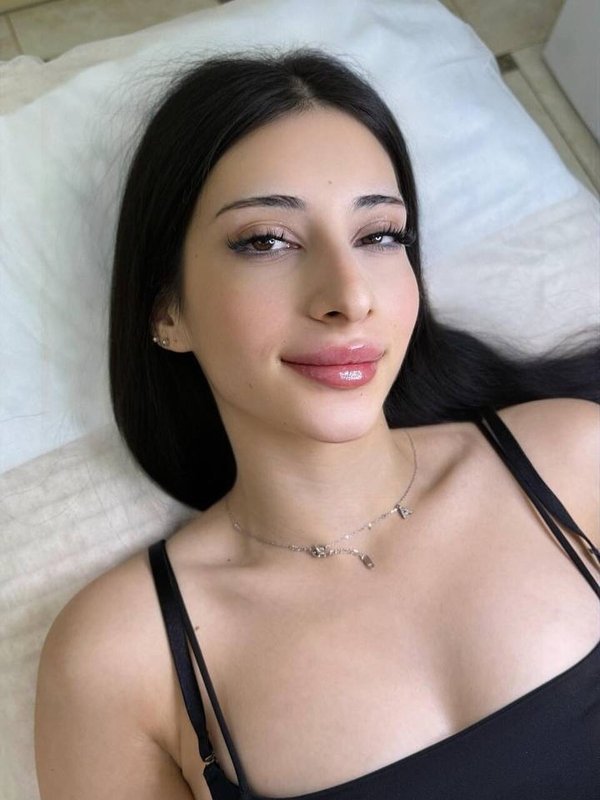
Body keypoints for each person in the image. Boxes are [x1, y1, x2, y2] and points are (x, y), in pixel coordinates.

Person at [34, 49, 599, 800]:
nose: (349, 297)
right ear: (167, 310)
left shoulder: (576, 460)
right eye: (266, 240)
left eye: (380, 235)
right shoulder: (120, 656)